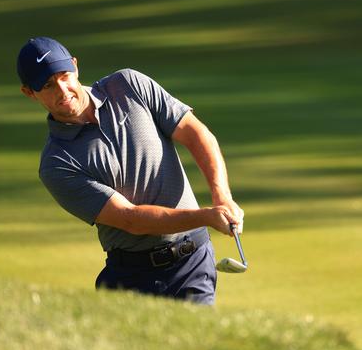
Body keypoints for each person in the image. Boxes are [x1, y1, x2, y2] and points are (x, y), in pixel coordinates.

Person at [17, 36, 244, 305]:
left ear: (75, 66)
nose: (62, 89)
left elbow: (196, 133)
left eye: (64, 76)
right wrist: (205, 216)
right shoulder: (56, 163)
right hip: (131, 278)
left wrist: (222, 196)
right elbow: (130, 219)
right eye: (47, 85)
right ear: (29, 93)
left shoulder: (127, 84)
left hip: (192, 262)